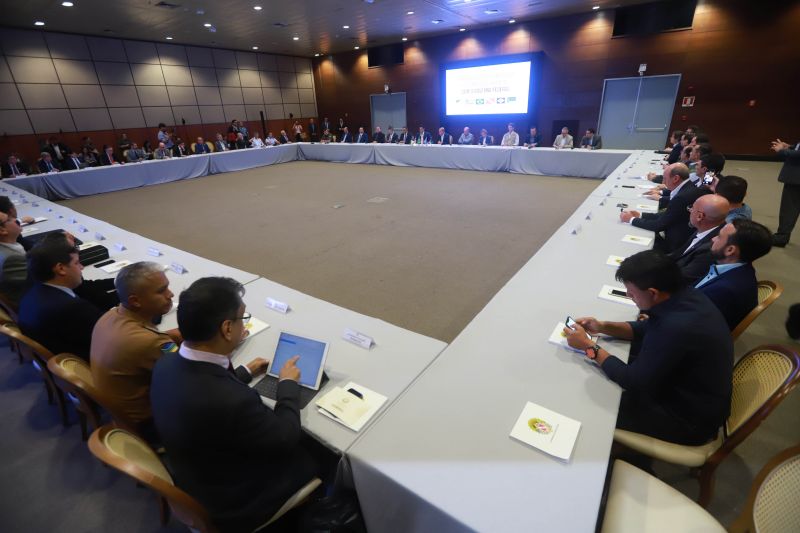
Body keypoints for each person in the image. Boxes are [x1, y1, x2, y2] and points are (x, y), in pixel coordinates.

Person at [150, 277, 318, 533]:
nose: (244, 325)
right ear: (227, 329)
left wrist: (244, 372)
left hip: (193, 474)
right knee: (317, 455)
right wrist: (287, 385)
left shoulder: (165, 364)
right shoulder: (232, 401)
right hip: (233, 502)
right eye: (243, 318)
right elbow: (286, 438)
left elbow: (202, 387)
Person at [563, 250, 732, 446]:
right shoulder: (685, 296)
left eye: (632, 293)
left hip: (685, 419)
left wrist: (588, 347)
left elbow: (633, 381)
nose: (629, 296)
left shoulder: (677, 327)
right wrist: (602, 326)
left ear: (653, 293)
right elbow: (646, 328)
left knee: (586, 408)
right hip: (689, 392)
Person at [91, 262, 182, 440]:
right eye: (161, 290)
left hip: (120, 415)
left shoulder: (111, 315)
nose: (170, 294)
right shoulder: (151, 342)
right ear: (135, 301)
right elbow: (192, 377)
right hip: (150, 424)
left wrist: (176, 336)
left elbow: (152, 343)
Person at [18, 234, 103, 361]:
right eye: (77, 263)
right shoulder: (71, 307)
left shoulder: (32, 293)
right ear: (61, 268)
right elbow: (111, 335)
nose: (81, 267)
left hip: (59, 358)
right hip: (91, 364)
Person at [697, 219, 772, 330]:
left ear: (730, 250)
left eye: (719, 236)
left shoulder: (723, 290)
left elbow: (691, 322)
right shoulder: (742, 269)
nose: (713, 239)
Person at [621, 163, 710, 253]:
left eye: (665, 178)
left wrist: (631, 219)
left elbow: (659, 225)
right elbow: (670, 214)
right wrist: (640, 215)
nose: (663, 182)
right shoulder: (689, 186)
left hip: (674, 245)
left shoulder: (683, 196)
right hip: (681, 233)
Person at [669, 194, 730, 284]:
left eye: (692, 208)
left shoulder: (712, 247)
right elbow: (679, 253)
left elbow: (682, 278)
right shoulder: (707, 227)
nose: (690, 211)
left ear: (700, 216)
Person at [770, 138, 800, 247]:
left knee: (790, 208)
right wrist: (790, 147)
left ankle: (782, 237)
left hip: (797, 179)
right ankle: (782, 236)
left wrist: (782, 151)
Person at [0, 210, 27, 305]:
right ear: (2, 230)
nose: (16, 220)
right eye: (10, 219)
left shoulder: (8, 246)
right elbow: (32, 284)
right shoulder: (12, 258)